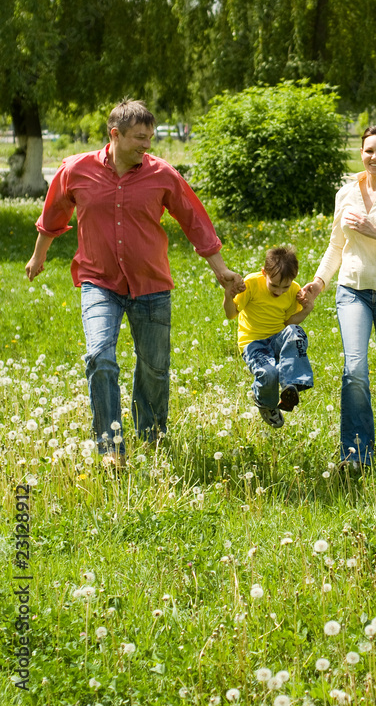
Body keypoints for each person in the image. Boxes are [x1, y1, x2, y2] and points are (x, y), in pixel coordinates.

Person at [25, 99, 245, 468]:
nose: (147, 144)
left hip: (151, 283)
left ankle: (152, 436)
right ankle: (110, 446)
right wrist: (39, 254)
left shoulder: (162, 174)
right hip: (99, 281)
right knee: (100, 357)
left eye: (150, 137)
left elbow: (195, 221)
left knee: (154, 368)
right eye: (140, 137)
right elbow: (54, 213)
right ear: (116, 134)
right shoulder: (75, 169)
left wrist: (219, 269)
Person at [299, 124, 376, 468]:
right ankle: (356, 453)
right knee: (354, 369)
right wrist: (319, 283)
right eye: (369, 150)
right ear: (361, 152)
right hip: (352, 293)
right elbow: (337, 245)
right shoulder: (346, 194)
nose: (375, 157)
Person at [225, 246, 314, 428]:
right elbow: (231, 314)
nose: (279, 291)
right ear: (264, 273)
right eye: (274, 285)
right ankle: (265, 403)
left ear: (294, 279)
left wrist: (307, 309)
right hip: (253, 344)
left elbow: (289, 322)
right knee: (269, 374)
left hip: (277, 338)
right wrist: (228, 294)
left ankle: (290, 384)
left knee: (295, 332)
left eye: (285, 286)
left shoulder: (293, 290)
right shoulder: (251, 284)